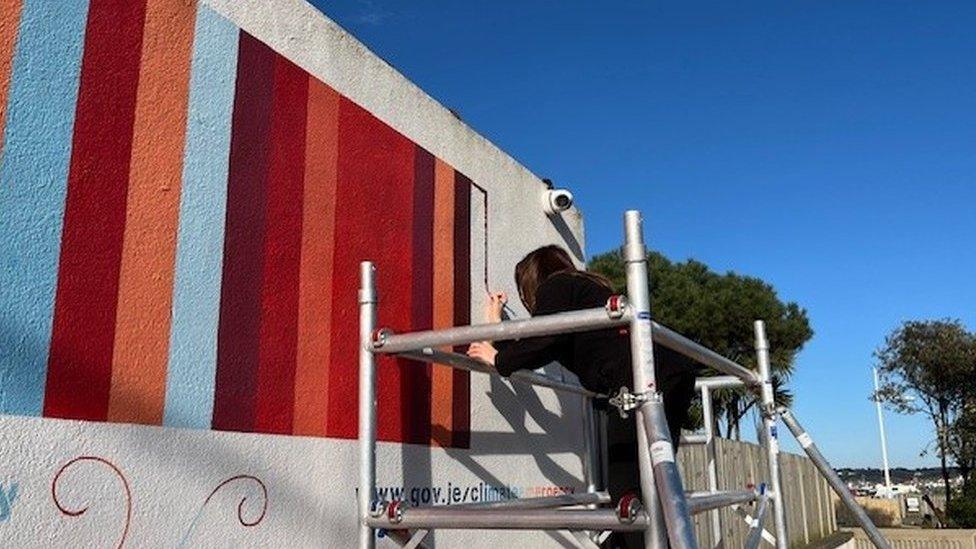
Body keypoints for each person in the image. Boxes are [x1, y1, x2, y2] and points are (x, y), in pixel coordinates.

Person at [467, 245, 699, 549]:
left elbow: (544, 338)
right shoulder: (586, 289)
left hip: (639, 380)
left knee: (627, 491)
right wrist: (499, 332)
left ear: (533, 280)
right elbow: (544, 339)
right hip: (670, 370)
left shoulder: (557, 285)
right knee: (653, 485)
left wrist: (498, 360)